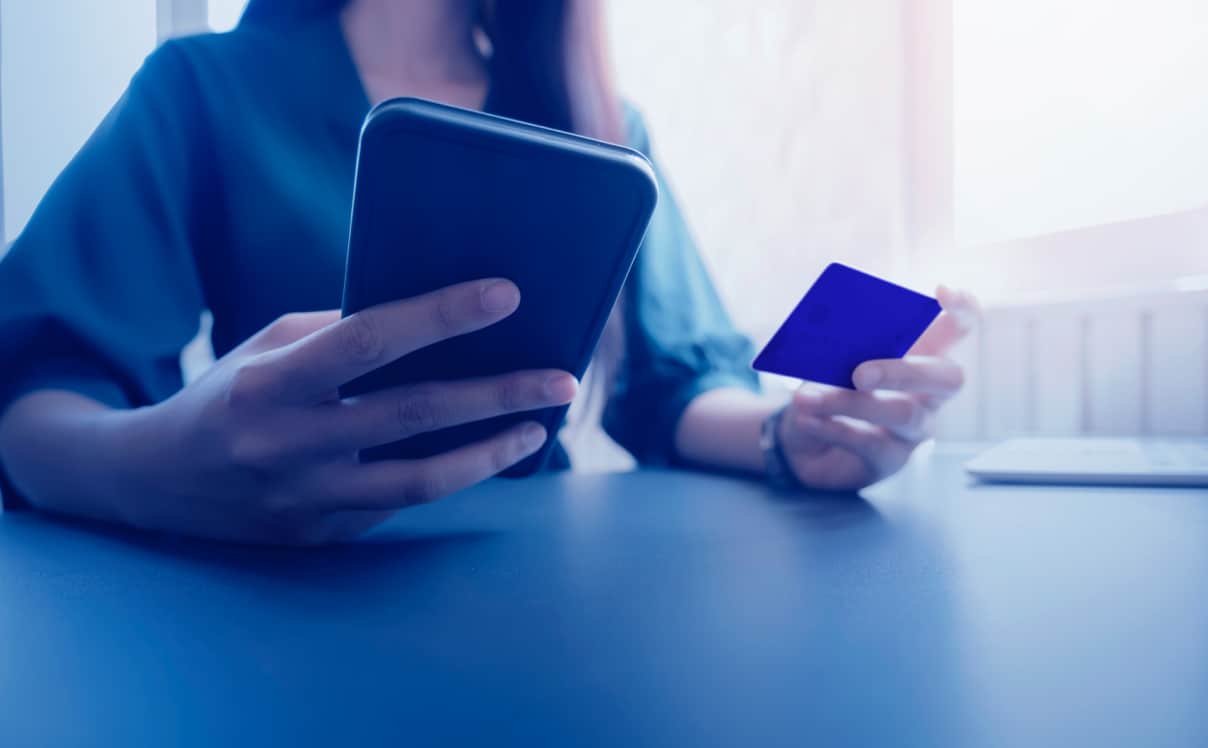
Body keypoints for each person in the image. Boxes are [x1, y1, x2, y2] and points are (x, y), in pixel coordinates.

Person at [0, 0, 976, 544]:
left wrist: (789, 436)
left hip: (536, 574)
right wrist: (150, 472)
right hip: (276, 583)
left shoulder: (602, 123)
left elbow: (673, 384)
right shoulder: (201, 88)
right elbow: (37, 388)